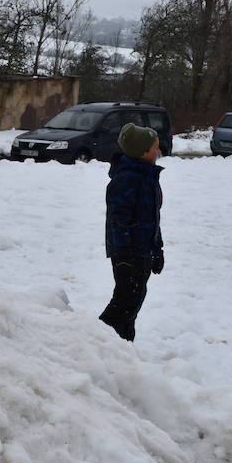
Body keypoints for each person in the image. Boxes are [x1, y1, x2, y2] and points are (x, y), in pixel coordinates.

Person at [99, 122, 164, 341]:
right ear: (143, 152)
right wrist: (124, 258)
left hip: (143, 250)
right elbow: (119, 221)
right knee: (125, 303)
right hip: (128, 253)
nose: (159, 151)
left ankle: (123, 350)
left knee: (133, 303)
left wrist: (157, 249)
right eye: (156, 147)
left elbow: (152, 217)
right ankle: (92, 340)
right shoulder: (127, 178)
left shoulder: (147, 176)